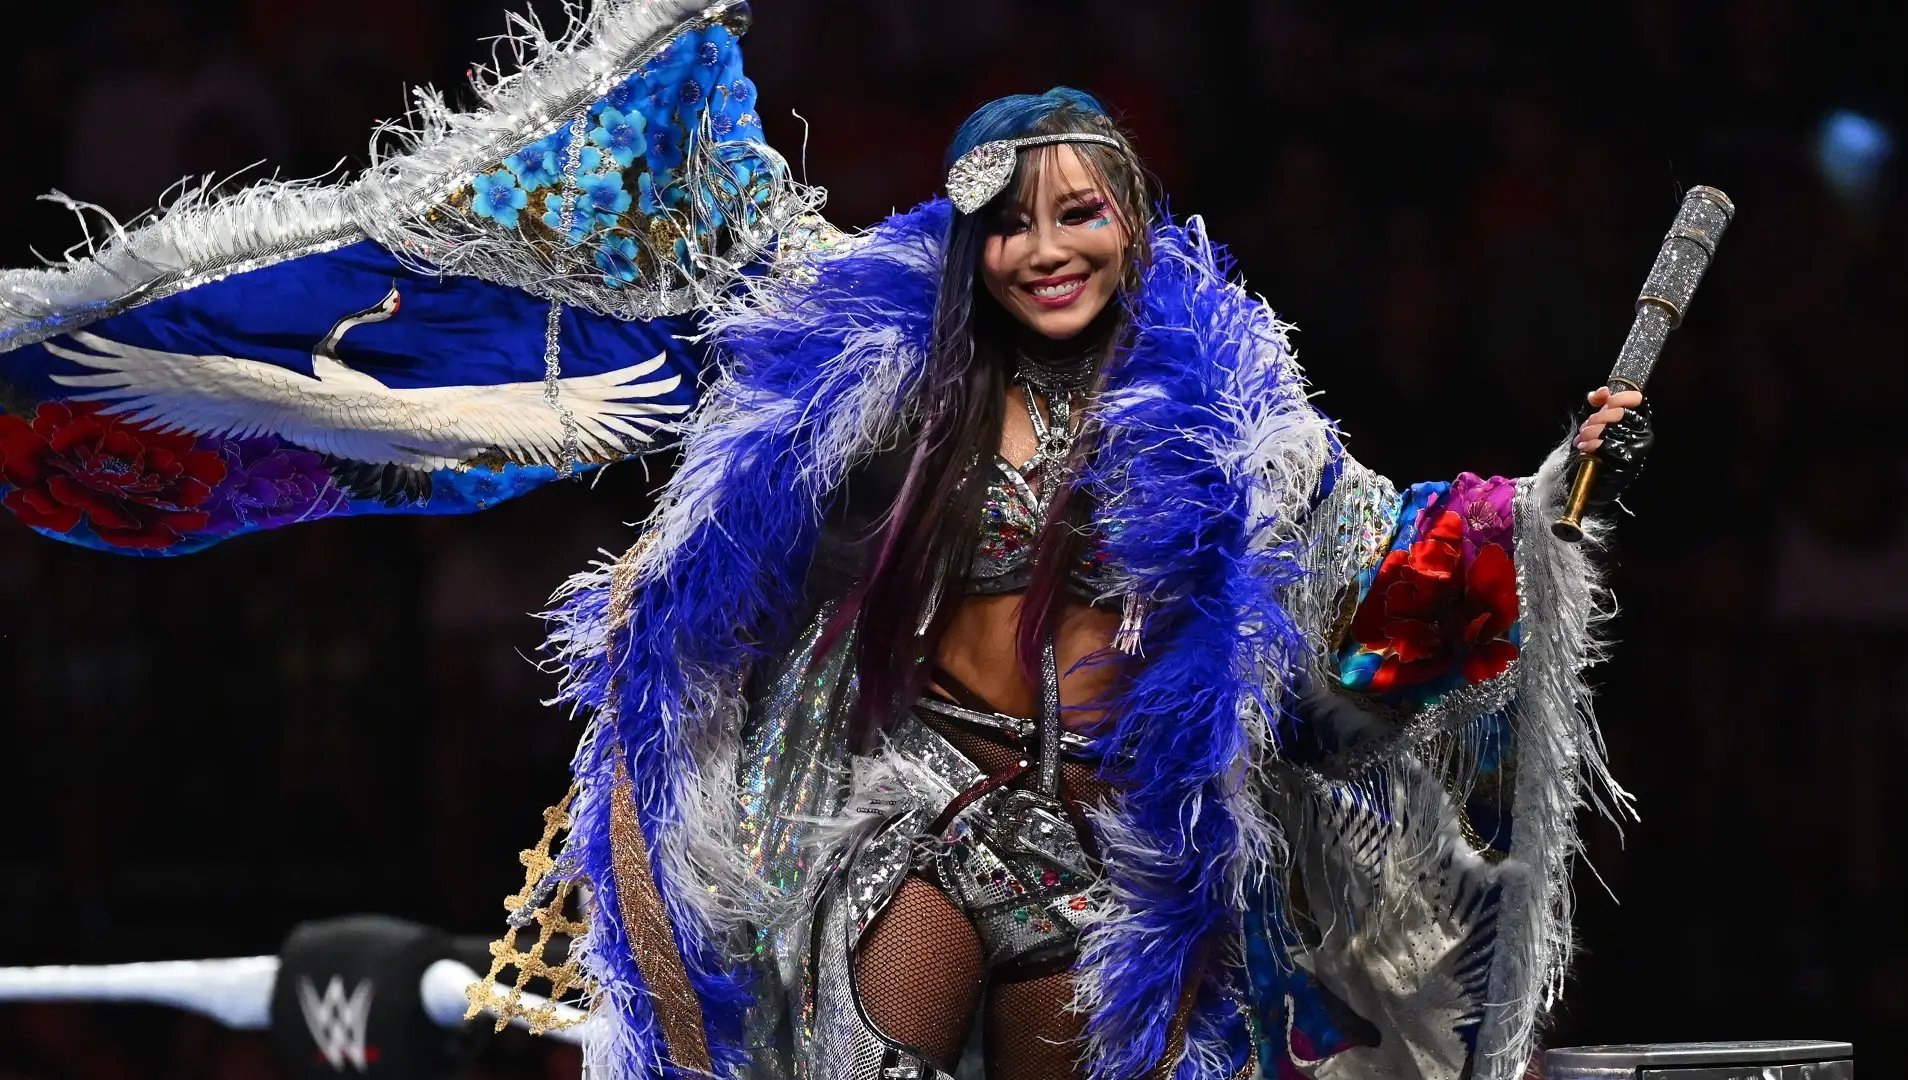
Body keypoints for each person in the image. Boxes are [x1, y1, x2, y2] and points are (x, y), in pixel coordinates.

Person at [0, 8, 1651, 1079]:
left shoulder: (1243, 425)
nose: (1049, 246)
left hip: (1117, 855)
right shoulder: (883, 370)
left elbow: (1372, 600)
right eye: (1013, 218)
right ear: (967, 237)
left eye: (1081, 213)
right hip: (913, 817)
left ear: (1135, 225)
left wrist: (1538, 508)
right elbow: (720, 393)